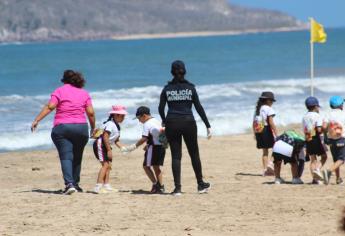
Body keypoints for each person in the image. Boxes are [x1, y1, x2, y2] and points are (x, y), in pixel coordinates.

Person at [31, 70, 95, 195]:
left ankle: (69, 184)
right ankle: (76, 184)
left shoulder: (59, 91)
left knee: (66, 156)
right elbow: (91, 113)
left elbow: (50, 106)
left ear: (64, 80)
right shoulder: (84, 93)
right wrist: (93, 128)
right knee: (77, 157)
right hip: (81, 128)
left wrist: (37, 120)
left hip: (63, 128)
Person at [158, 60, 211, 196]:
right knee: (194, 154)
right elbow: (198, 107)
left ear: (171, 72)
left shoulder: (167, 89)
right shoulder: (190, 88)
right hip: (188, 123)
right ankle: (200, 184)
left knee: (176, 156)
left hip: (172, 123)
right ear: (184, 71)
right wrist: (207, 125)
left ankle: (177, 189)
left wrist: (164, 121)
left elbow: (160, 108)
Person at [122, 106, 166, 194]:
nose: (139, 121)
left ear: (144, 115)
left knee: (146, 166)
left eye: (139, 118)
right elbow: (158, 134)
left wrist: (133, 147)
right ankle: (161, 186)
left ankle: (155, 184)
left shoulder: (147, 124)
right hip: (161, 146)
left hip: (153, 148)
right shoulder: (156, 120)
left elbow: (144, 138)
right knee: (156, 167)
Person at [92, 105, 127, 193]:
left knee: (108, 166)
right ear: (115, 115)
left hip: (105, 145)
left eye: (124, 116)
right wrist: (109, 150)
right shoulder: (110, 124)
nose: (123, 118)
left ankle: (106, 186)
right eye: (122, 116)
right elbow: (105, 137)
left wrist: (123, 148)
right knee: (105, 165)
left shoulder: (117, 126)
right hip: (101, 144)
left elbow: (116, 140)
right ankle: (98, 187)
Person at [302, 96, 327, 184]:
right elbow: (319, 130)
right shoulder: (317, 116)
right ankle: (317, 169)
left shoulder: (304, 117)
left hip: (308, 138)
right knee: (324, 156)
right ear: (316, 106)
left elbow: (305, 129)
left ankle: (315, 179)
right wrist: (325, 128)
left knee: (313, 159)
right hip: (316, 138)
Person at [253, 91, 278, 176]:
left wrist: (254, 134)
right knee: (276, 148)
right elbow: (271, 122)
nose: (272, 103)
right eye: (271, 101)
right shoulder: (268, 109)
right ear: (267, 100)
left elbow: (253, 123)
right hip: (267, 130)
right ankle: (270, 163)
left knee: (265, 152)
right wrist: (276, 132)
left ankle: (265, 170)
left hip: (259, 130)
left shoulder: (258, 109)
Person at [322, 96, 345, 185]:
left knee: (336, 160)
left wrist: (325, 135)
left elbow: (324, 127)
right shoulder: (343, 114)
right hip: (342, 138)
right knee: (342, 159)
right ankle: (328, 171)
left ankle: (338, 179)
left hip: (331, 140)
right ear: (341, 105)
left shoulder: (328, 114)